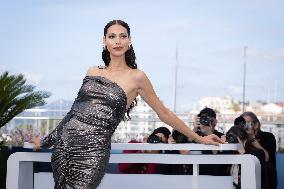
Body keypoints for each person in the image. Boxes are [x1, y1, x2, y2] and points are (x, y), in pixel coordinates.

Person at [31, 20, 223, 189]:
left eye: (123, 36)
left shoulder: (137, 77)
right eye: (112, 36)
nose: (117, 41)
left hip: (93, 152)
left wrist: (200, 139)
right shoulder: (92, 72)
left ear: (129, 41)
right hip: (65, 147)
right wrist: (46, 141)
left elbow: (164, 114)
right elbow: (73, 114)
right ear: (104, 41)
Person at [240, 111, 277, 189]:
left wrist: (252, 138)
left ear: (256, 125)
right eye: (242, 123)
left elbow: (266, 158)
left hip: (265, 178)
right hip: (244, 177)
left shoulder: (268, 137)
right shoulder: (241, 138)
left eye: (247, 122)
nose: (244, 126)